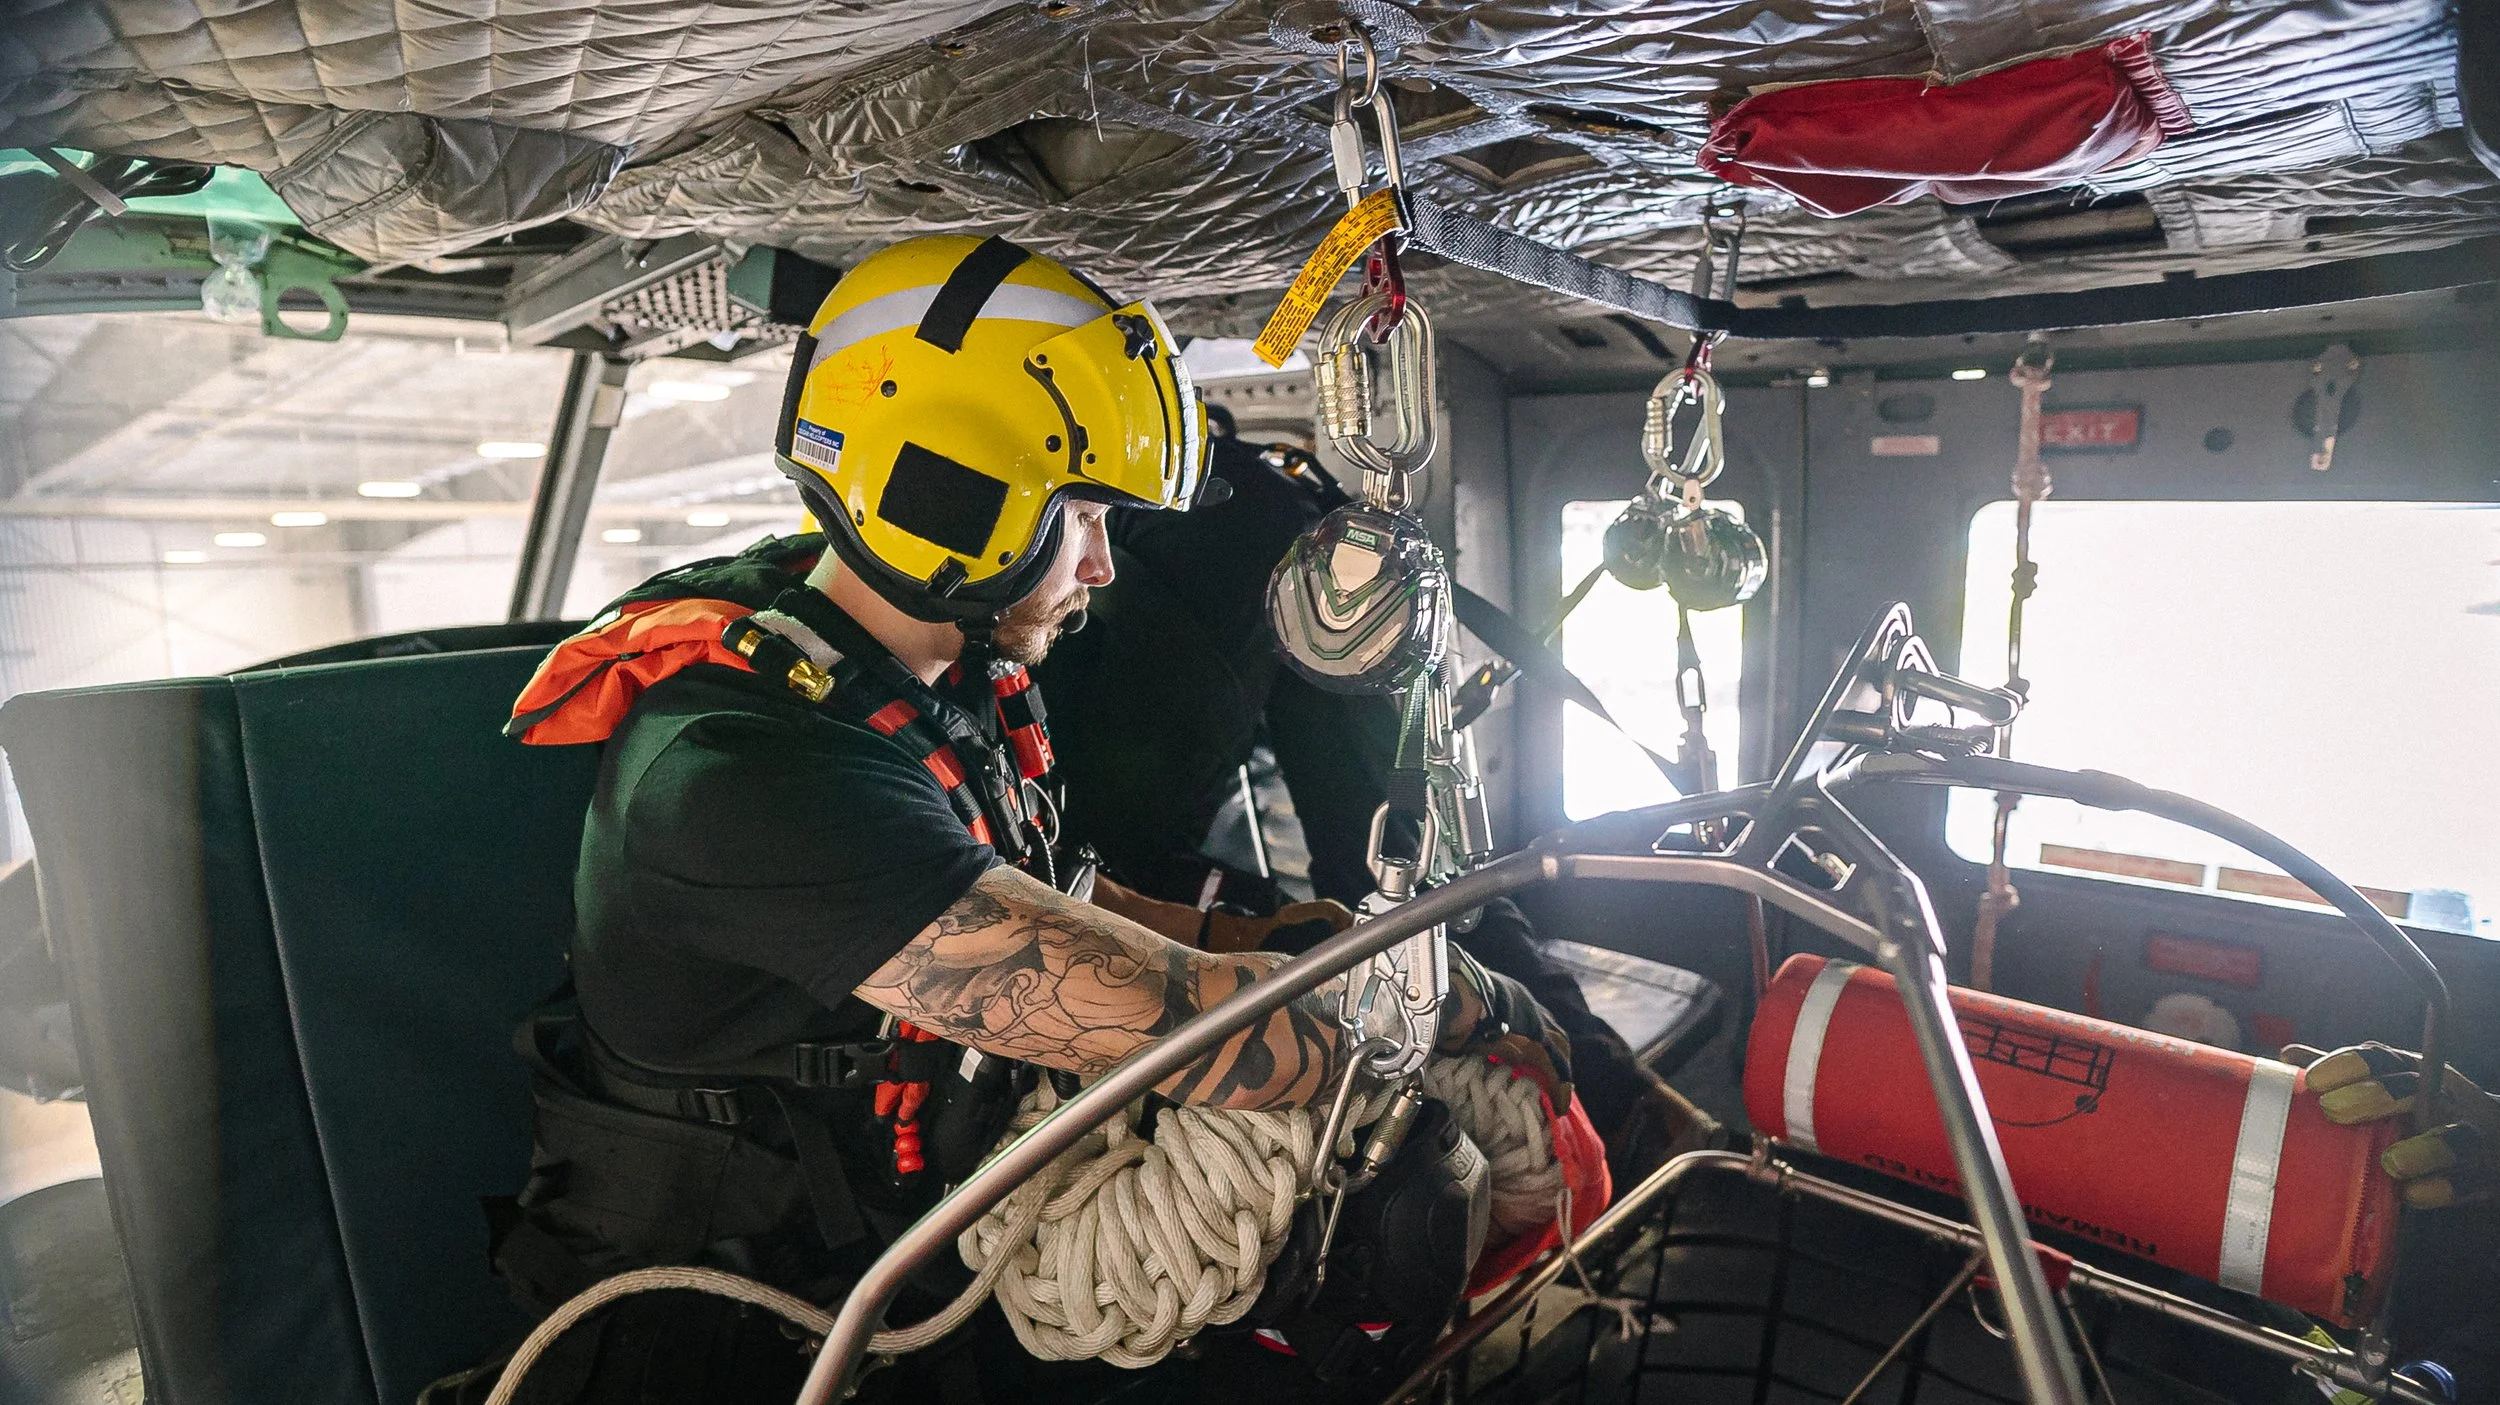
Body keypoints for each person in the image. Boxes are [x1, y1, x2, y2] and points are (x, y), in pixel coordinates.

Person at [475, 235, 1578, 1405]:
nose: (1106, 566)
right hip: (721, 1328)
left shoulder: (936, 675)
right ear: (949, 496)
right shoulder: (747, 779)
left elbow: (1063, 896)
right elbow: (1193, 1038)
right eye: (1088, 518)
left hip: (899, 1265)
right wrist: (1452, 1001)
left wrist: (1299, 939)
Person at [1030, 417, 1724, 1187]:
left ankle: (1609, 1092)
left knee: (1382, 861)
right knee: (1374, 864)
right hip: (1249, 528)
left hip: (1231, 526)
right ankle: (1616, 1093)